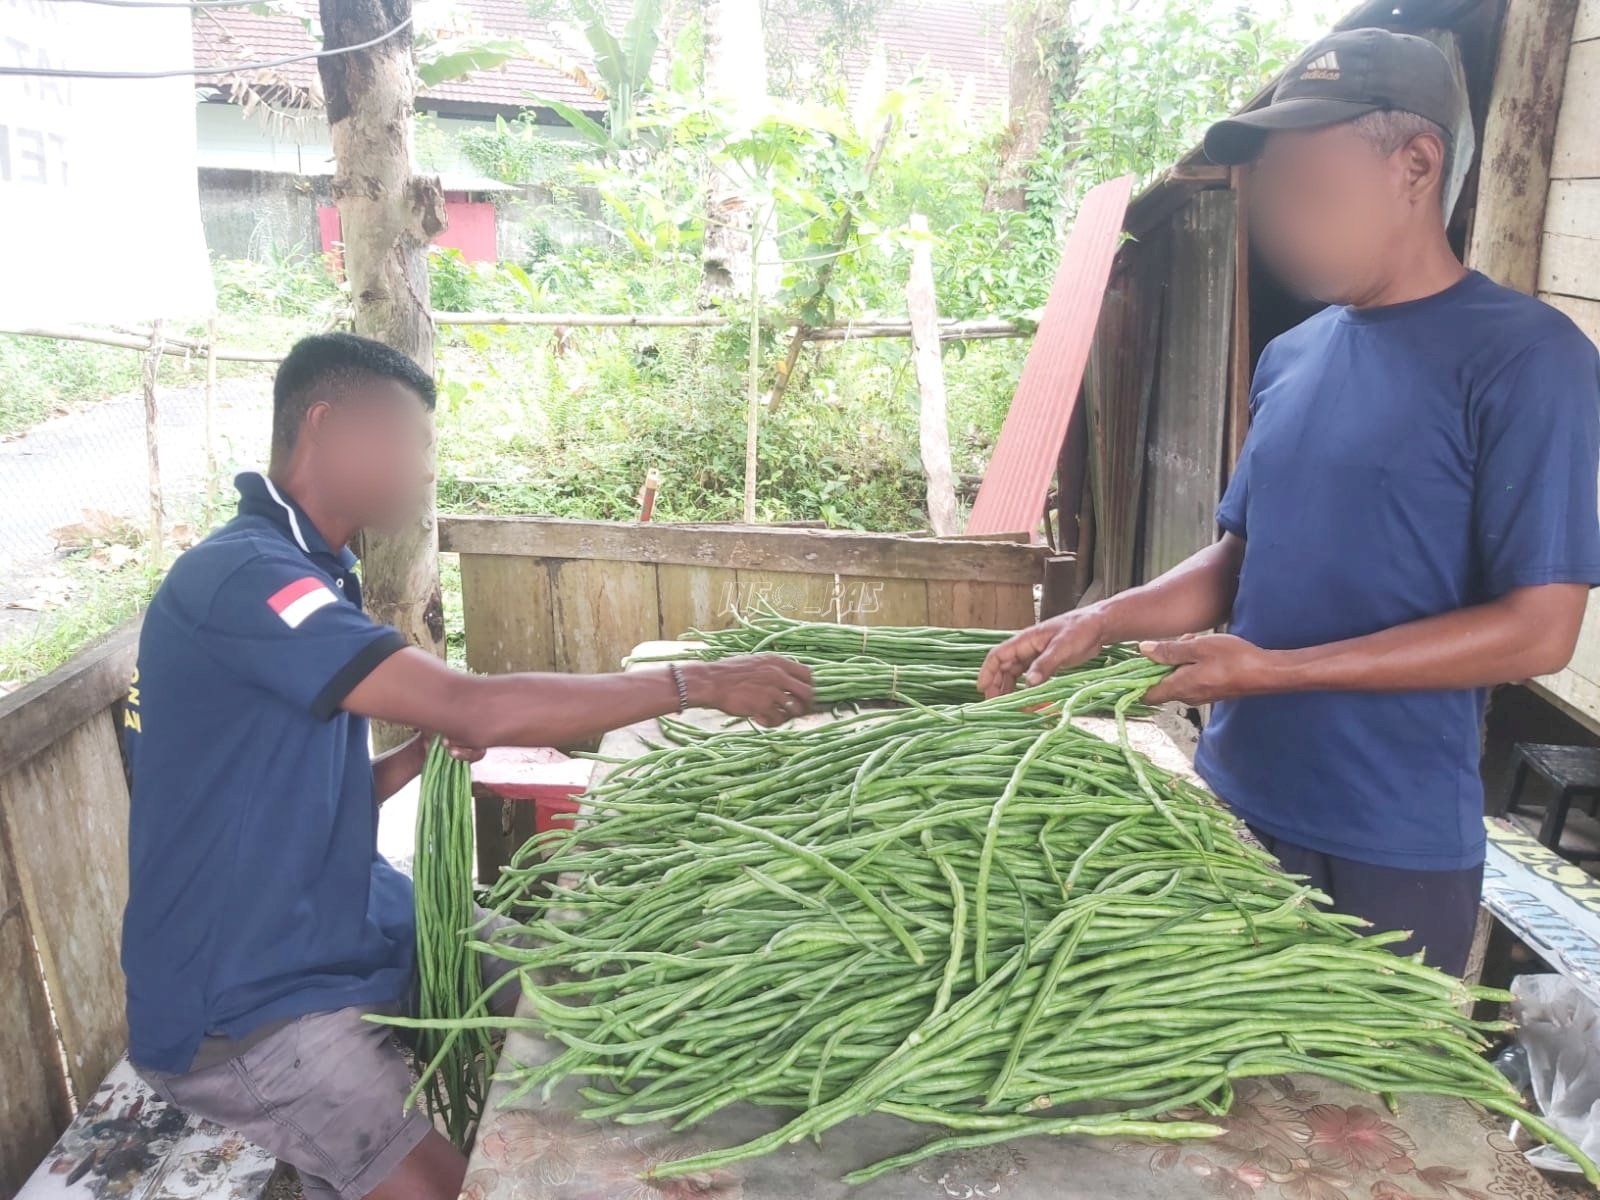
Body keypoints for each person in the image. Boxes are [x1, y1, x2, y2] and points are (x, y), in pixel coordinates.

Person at [120, 332, 814, 1200]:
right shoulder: (249, 580)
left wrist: (413, 757)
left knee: (576, 985)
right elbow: (470, 703)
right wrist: (693, 682)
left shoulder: (306, 571)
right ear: (329, 428)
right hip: (248, 1001)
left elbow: (294, 794)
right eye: (409, 441)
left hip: (344, 911)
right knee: (471, 1189)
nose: (421, 471)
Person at [979, 28, 1600, 977]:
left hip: (1390, 846)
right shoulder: (1294, 357)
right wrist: (1103, 619)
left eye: (1304, 182)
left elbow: (1539, 632)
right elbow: (1238, 559)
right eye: (1266, 189)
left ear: (1416, 165)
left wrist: (1274, 671)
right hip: (1231, 799)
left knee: (1357, 1116)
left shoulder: (1528, 360)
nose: (1274, 219)